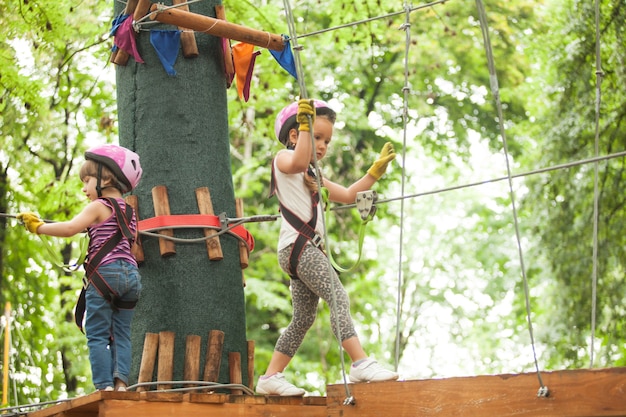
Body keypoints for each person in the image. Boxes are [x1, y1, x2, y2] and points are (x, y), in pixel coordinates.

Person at [256, 99, 399, 396]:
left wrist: (374, 172)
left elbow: (347, 195)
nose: (322, 146)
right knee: (338, 296)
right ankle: (360, 363)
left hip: (303, 250)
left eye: (326, 141)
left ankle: (271, 376)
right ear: (295, 135)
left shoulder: (313, 175)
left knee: (303, 318)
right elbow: (297, 160)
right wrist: (305, 126)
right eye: (316, 137)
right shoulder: (284, 159)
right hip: (299, 247)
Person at [17, 144, 143, 392]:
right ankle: (120, 384)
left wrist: (37, 227)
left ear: (105, 178)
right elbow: (133, 245)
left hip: (104, 276)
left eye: (87, 181)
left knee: (96, 334)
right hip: (131, 278)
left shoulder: (98, 207)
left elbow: (68, 229)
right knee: (122, 333)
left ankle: (104, 386)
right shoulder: (130, 212)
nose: (84, 188)